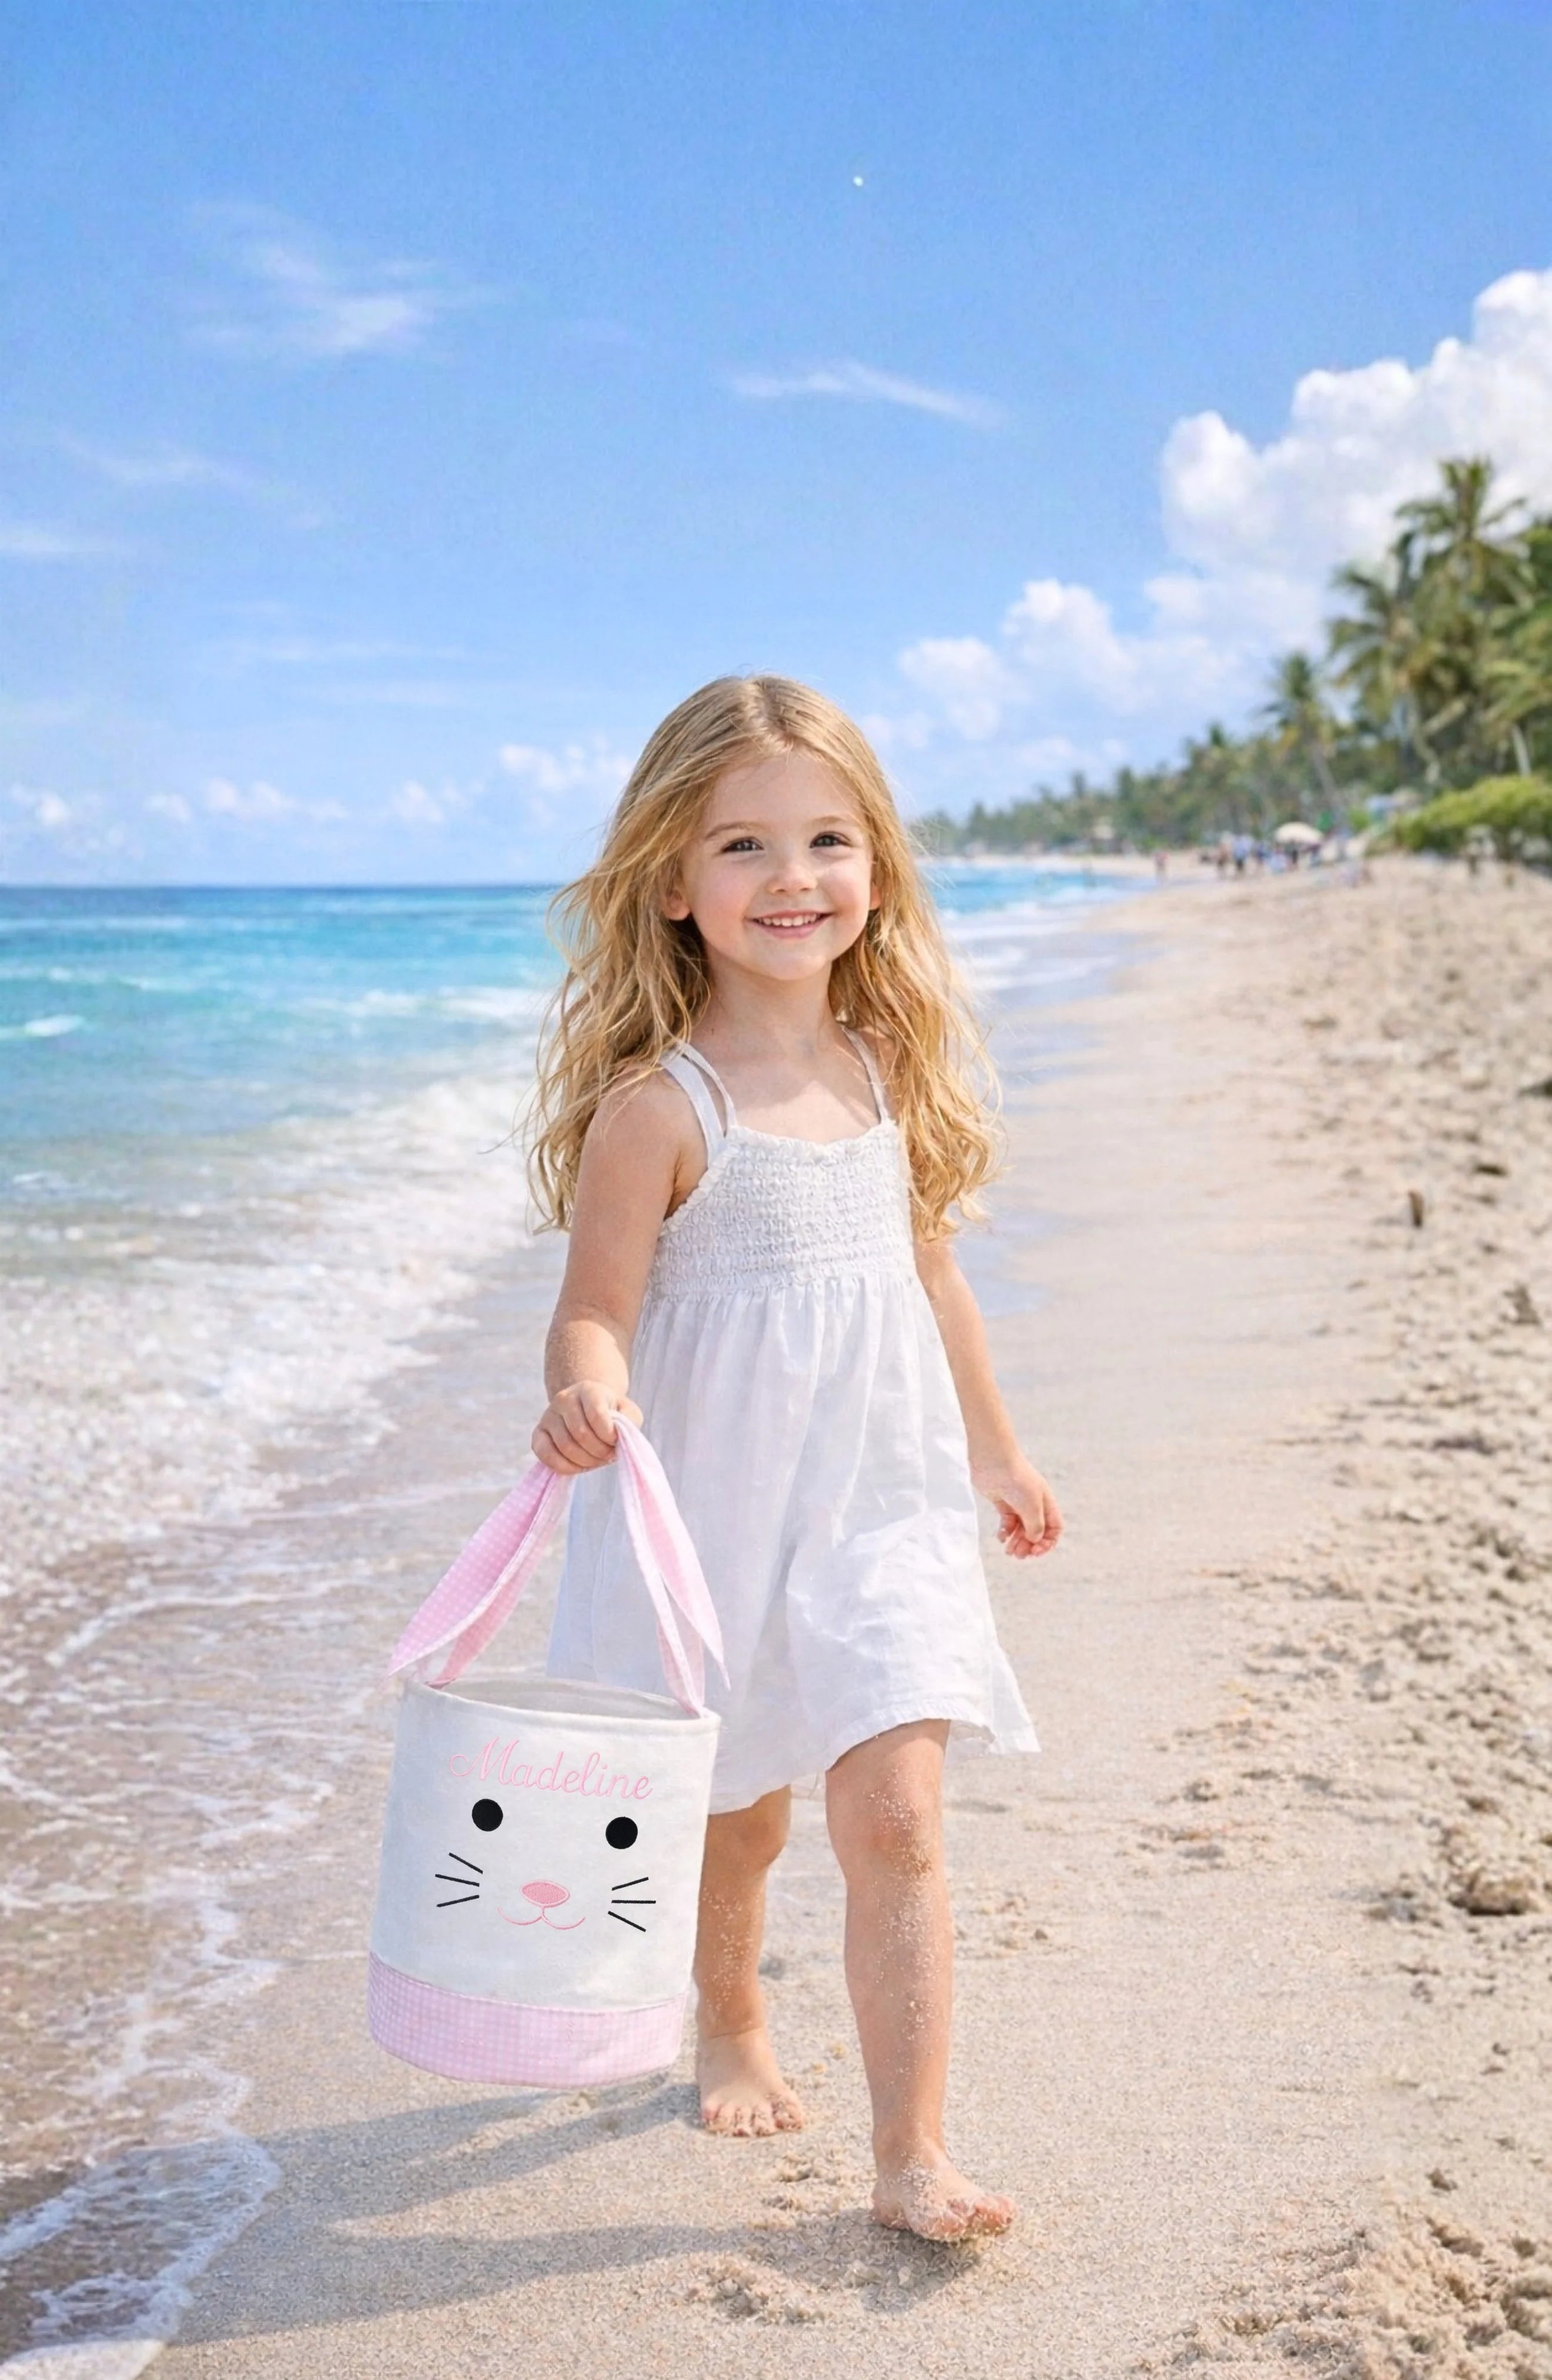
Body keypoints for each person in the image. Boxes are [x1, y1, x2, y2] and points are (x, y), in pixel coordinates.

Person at [526, 675, 1062, 2242]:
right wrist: (585, 1398)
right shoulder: (658, 1107)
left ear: (876, 869)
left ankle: (912, 2155)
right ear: (674, 885)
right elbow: (593, 1313)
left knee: (898, 1815)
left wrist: (1002, 1456)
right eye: (745, 845)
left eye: (827, 839)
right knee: (740, 1811)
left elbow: (934, 1280)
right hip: (714, 1512)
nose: (793, 877)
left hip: (884, 1506)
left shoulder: (887, 1069)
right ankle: (732, 2014)